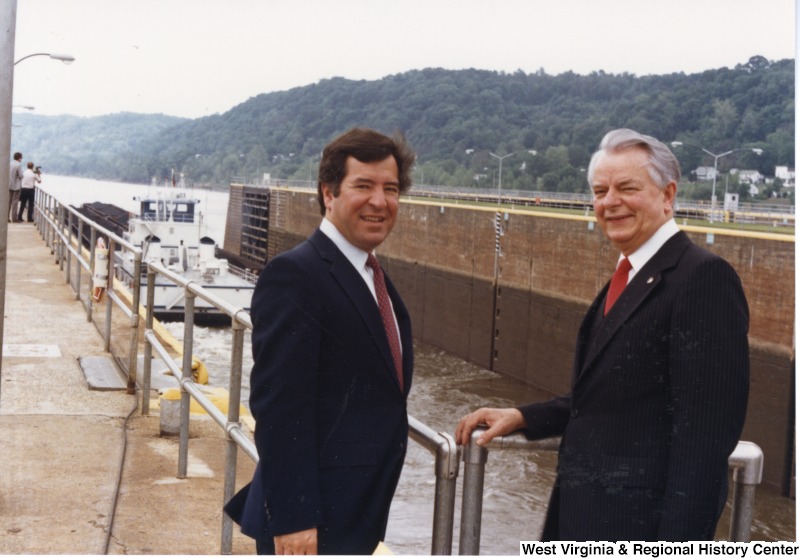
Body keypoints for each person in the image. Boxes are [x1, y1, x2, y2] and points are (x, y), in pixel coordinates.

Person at [455, 129, 749, 542]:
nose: (610, 202)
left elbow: (705, 439)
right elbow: (606, 398)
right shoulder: (629, 275)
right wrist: (525, 417)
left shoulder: (702, 278)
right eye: (600, 191)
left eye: (627, 188)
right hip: (582, 517)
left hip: (638, 532)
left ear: (668, 195)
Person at [225, 127, 416, 555]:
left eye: (390, 188)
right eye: (363, 186)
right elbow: (278, 406)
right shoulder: (297, 275)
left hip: (354, 512)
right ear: (328, 193)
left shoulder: (371, 276)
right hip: (313, 523)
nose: (380, 201)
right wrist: (294, 518)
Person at [8, 152, 23, 222]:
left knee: (8, 202)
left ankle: (6, 217)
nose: (21, 159)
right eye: (21, 158)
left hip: (9, 185)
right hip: (16, 186)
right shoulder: (18, 165)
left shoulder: (10, 164)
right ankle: (14, 218)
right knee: (15, 202)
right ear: (19, 158)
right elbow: (21, 176)